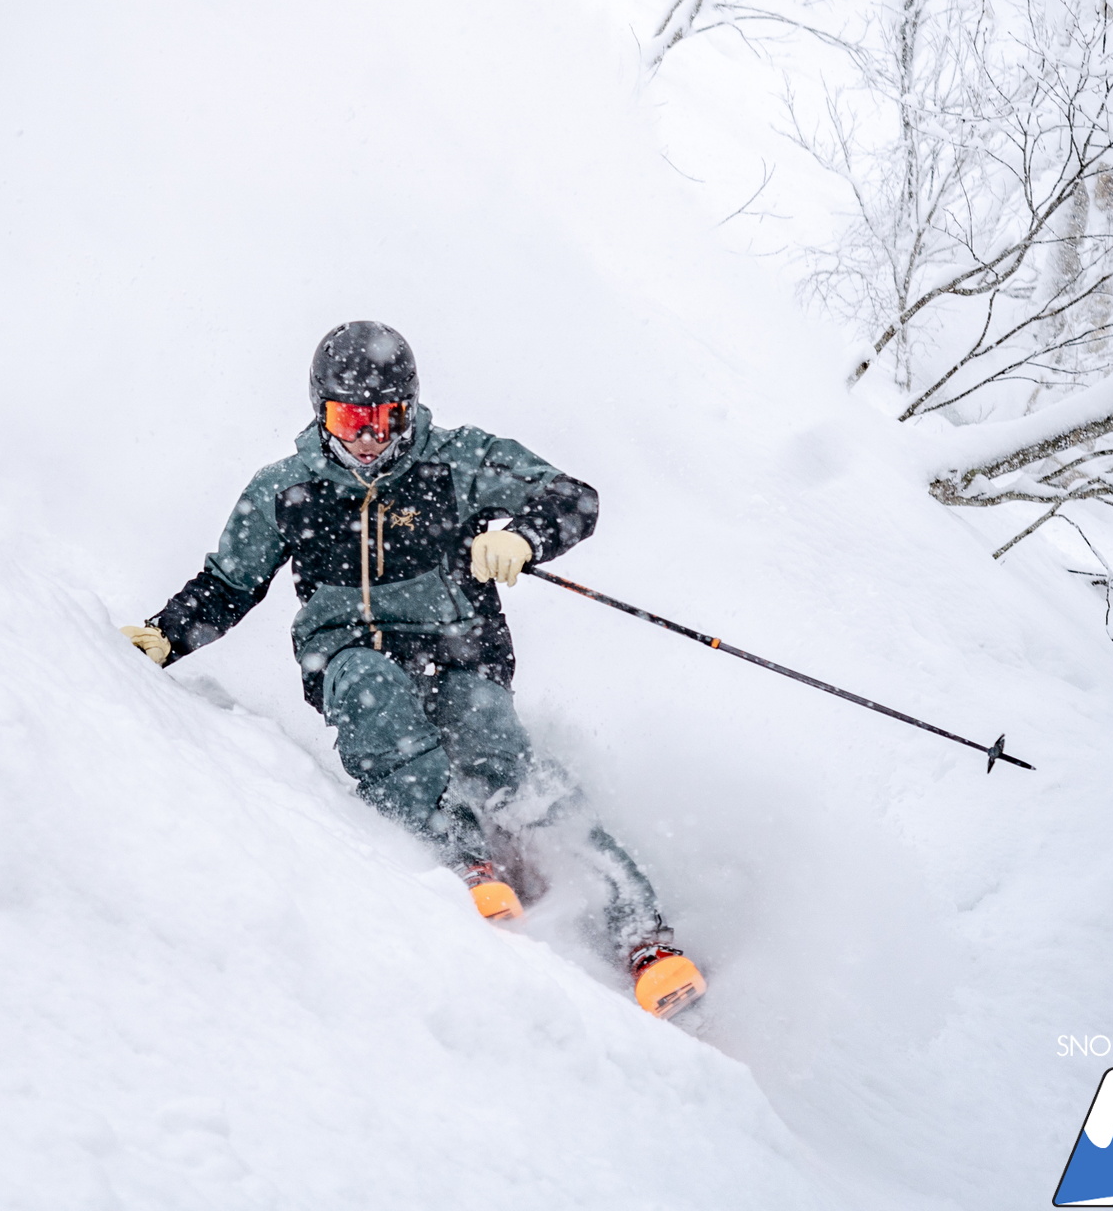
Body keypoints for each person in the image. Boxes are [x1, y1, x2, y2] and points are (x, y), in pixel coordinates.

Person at [122, 320, 705, 1019]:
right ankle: (464, 856)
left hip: (460, 650)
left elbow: (573, 499)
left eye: (384, 416)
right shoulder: (288, 489)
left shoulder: (454, 462)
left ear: (408, 409)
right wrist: (165, 637)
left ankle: (641, 936)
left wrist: (520, 536)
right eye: (350, 417)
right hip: (348, 654)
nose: (368, 436)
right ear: (321, 413)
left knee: (492, 737)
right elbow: (229, 582)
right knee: (374, 696)